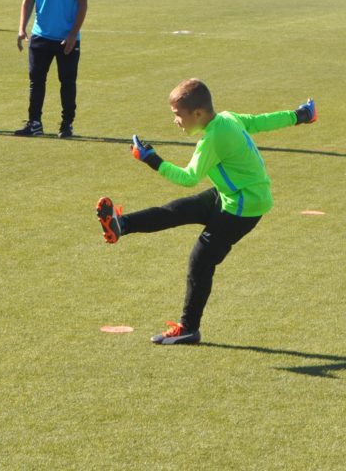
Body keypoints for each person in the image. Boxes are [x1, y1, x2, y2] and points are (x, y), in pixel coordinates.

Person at [95, 78, 317, 345]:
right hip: (232, 194)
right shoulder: (227, 118)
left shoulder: (212, 139)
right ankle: (121, 225)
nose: (175, 121)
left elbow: (189, 177)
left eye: (178, 115)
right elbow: (261, 121)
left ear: (198, 113)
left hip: (244, 206)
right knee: (176, 210)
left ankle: (189, 328)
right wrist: (299, 115)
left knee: (200, 261)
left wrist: (151, 159)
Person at [15, 0, 88, 139]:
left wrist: (73, 33)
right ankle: (34, 123)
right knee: (36, 82)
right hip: (40, 35)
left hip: (66, 38)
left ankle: (67, 125)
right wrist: (22, 28)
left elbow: (83, 2)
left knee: (67, 82)